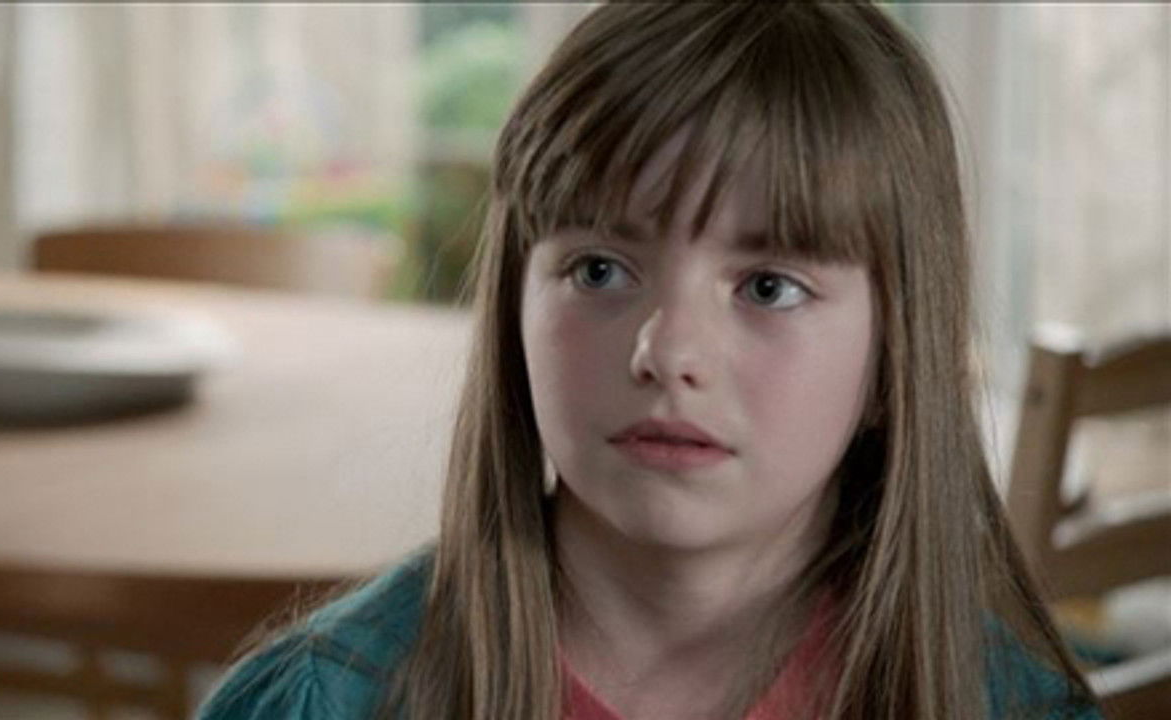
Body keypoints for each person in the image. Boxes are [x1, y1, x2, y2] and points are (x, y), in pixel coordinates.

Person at [197, 3, 1102, 719]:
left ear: (896, 351)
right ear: (515, 306)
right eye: (600, 270)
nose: (666, 352)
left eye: (770, 287)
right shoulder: (318, 702)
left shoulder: (1013, 708)